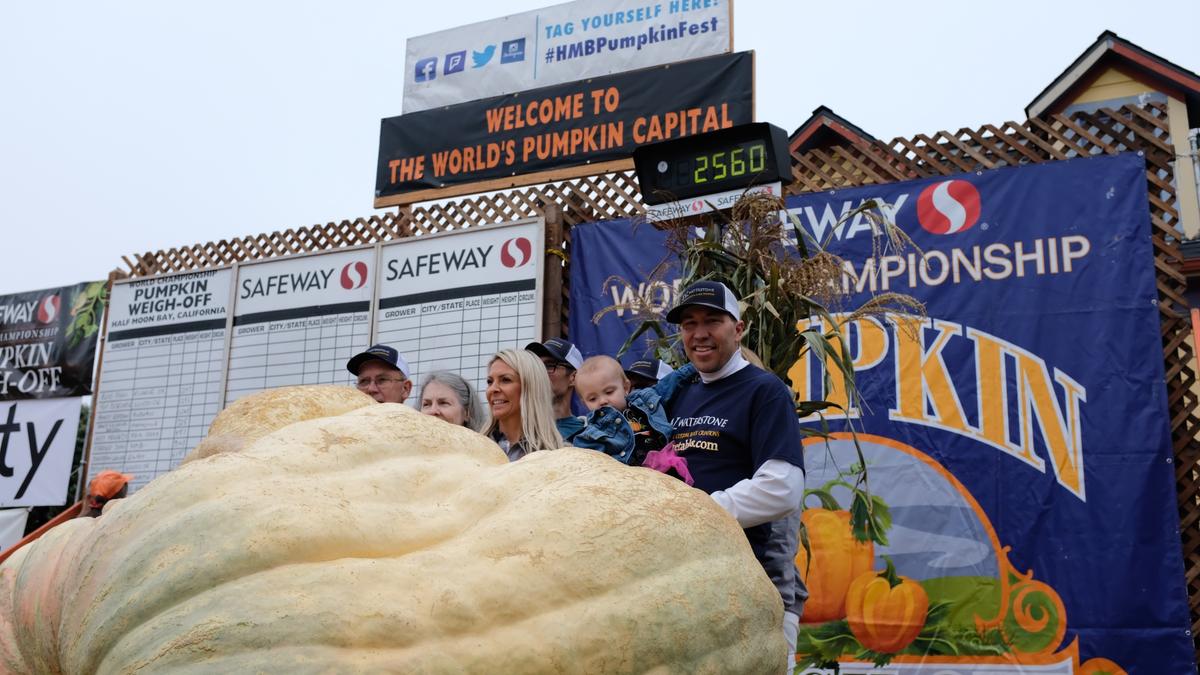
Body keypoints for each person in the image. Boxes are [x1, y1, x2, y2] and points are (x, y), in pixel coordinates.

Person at [664, 280, 806, 664]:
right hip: (678, 581)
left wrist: (702, 510)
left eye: (712, 320)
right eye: (688, 324)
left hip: (739, 585)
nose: (699, 333)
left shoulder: (764, 391)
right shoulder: (679, 393)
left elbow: (783, 487)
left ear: (738, 329)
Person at [571, 355, 693, 480]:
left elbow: (672, 381)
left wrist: (694, 366)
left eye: (609, 392)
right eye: (592, 399)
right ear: (584, 403)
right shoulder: (592, 433)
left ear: (625, 387)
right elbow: (588, 467)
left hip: (667, 467)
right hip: (632, 482)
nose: (602, 401)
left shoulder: (644, 400)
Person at [483, 349, 563, 461]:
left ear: (531, 388)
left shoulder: (559, 458)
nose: (493, 389)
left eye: (505, 380)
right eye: (490, 381)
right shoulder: (472, 449)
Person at [524, 338, 585, 439]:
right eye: (537, 366)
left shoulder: (591, 435)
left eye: (549, 366)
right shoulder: (517, 431)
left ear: (573, 378)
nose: (540, 372)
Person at [417, 370, 487, 432]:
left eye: (443, 403)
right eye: (426, 404)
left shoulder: (484, 446)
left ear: (467, 412)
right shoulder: (408, 446)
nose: (433, 411)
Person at [346, 344, 412, 404]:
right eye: (364, 381)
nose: (371, 389)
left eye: (382, 380)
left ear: (405, 389)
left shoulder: (420, 417)